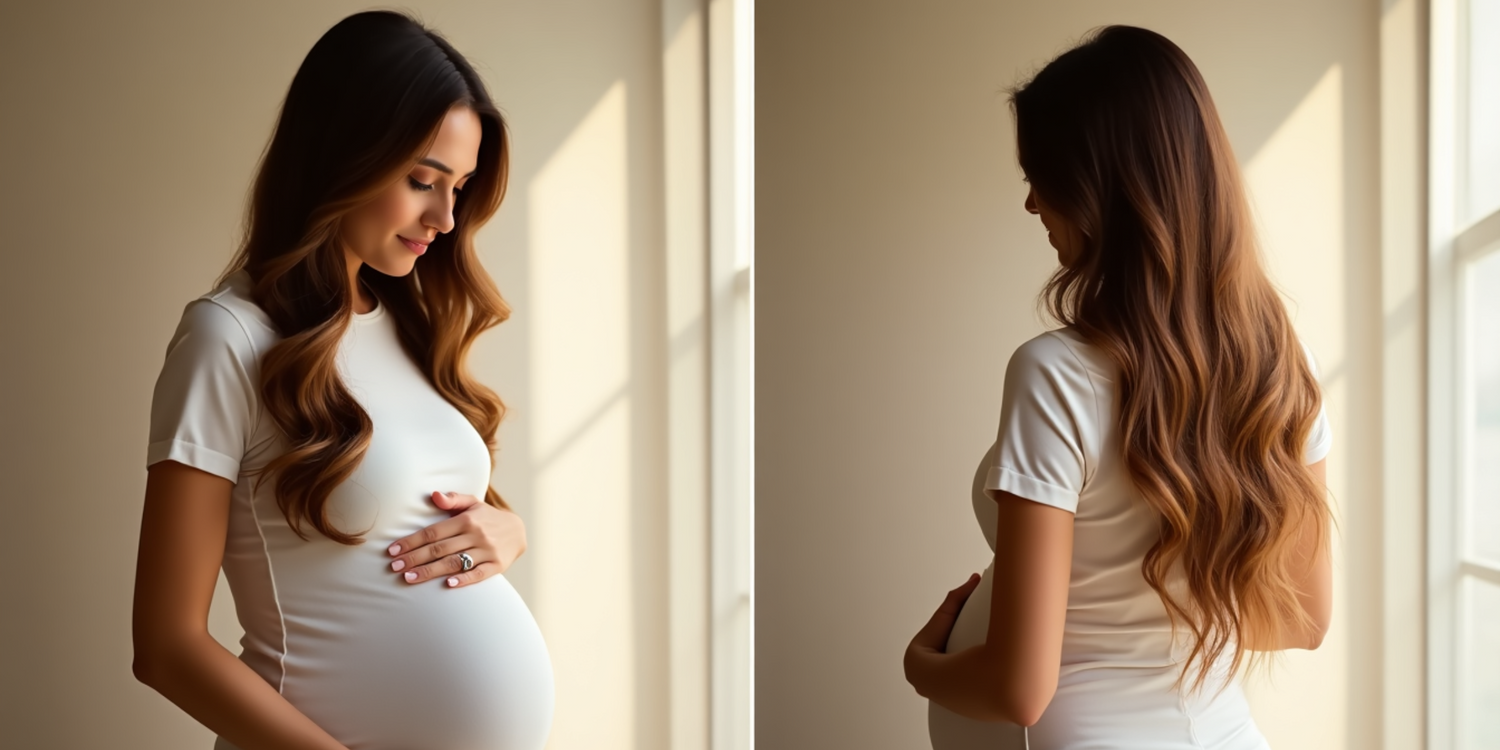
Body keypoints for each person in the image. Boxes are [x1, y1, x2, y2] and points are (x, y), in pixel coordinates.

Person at [130, 11, 553, 750]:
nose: (446, 217)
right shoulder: (228, 338)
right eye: (423, 180)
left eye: (460, 186)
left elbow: (408, 527)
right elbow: (166, 647)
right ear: (341, 157)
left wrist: (507, 531)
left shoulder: (406, 324)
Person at [903, 25, 1334, 750]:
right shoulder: (1286, 366)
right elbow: (1302, 616)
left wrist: (921, 666)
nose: (1033, 204)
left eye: (1043, 177)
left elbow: (1019, 688)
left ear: (1106, 188)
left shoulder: (1055, 374)